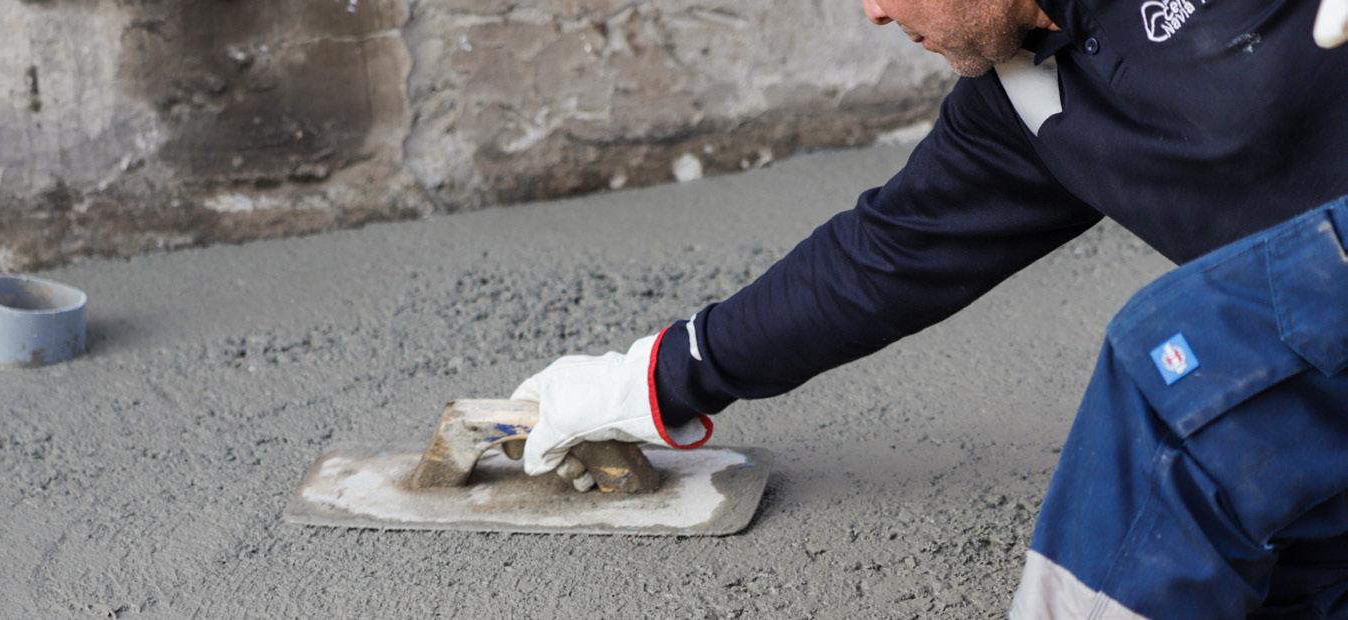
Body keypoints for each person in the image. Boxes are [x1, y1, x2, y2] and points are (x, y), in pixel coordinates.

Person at [510, 0, 1348, 617]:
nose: (874, 13)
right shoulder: (1026, 95)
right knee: (1285, 577)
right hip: (1325, 374)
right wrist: (653, 379)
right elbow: (882, 258)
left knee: (1173, 362)